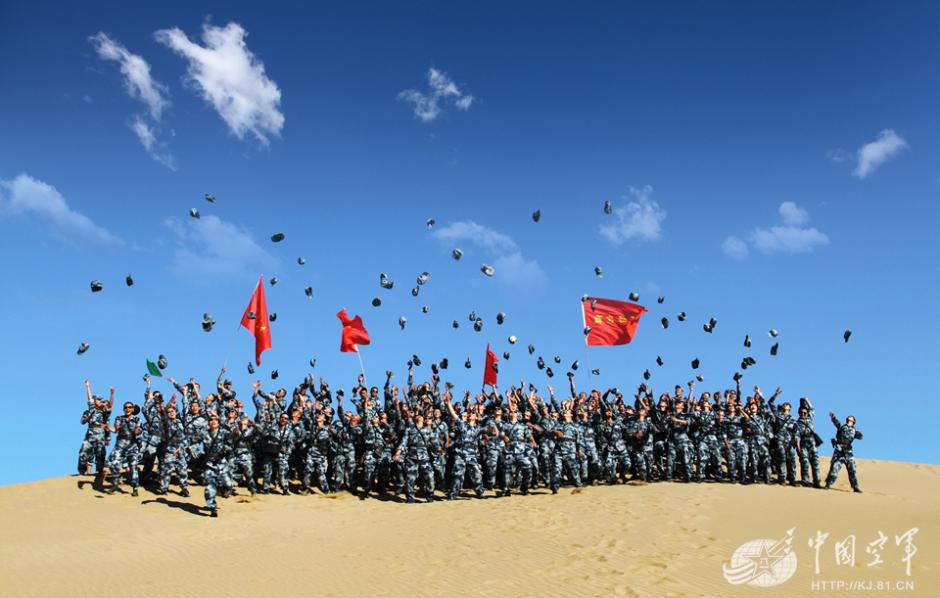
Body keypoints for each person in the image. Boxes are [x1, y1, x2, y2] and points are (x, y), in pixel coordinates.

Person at [78, 379, 112, 489]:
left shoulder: (104, 411)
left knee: (100, 455)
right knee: (84, 453)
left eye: (101, 400)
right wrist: (87, 387)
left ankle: (98, 475)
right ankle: (83, 473)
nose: (100, 402)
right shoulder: (91, 409)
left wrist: (112, 394)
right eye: (98, 400)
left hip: (100, 434)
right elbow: (89, 399)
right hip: (90, 433)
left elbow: (110, 405)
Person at [105, 401, 143, 495]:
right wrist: (108, 428)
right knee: (114, 464)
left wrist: (136, 431)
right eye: (125, 407)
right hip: (120, 445)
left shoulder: (137, 419)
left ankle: (135, 488)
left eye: (130, 407)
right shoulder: (119, 418)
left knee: (133, 466)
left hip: (132, 445)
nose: (127, 409)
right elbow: (115, 430)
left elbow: (138, 430)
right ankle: (115, 484)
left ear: (133, 409)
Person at [200, 414, 233, 517]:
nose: (213, 422)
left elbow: (232, 441)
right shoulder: (204, 433)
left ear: (219, 422)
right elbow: (193, 442)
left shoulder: (224, 432)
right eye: (211, 420)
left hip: (222, 463)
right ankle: (212, 508)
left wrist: (227, 449)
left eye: (215, 420)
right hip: (209, 464)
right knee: (209, 487)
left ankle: (223, 491)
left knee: (228, 484)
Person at [825, 411, 863, 493]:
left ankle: (855, 487)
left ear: (853, 422)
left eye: (851, 420)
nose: (849, 421)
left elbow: (860, 437)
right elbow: (836, 423)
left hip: (848, 452)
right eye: (848, 420)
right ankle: (828, 484)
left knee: (852, 469)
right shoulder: (842, 426)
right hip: (839, 450)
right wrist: (833, 417)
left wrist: (860, 434)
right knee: (835, 467)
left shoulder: (854, 430)